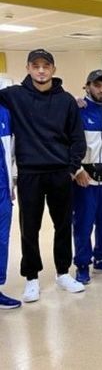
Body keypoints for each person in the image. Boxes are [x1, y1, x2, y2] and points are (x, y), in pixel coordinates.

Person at [0, 49, 87, 302]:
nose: (41, 70)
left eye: (45, 66)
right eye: (35, 66)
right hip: (30, 173)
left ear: (53, 69)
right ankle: (31, 278)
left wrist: (71, 168)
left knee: (63, 226)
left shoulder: (67, 100)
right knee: (30, 228)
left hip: (60, 173)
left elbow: (77, 139)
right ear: (28, 68)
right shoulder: (14, 95)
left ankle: (63, 273)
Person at [72, 70, 102, 285]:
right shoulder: (77, 110)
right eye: (97, 86)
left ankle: (101, 258)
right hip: (85, 177)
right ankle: (83, 264)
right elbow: (67, 143)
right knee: (84, 223)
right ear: (87, 86)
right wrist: (76, 170)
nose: (101, 90)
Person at [0, 103, 19, 309]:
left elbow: (11, 150)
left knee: (1, 240)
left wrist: (11, 181)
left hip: (3, 189)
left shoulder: (5, 113)